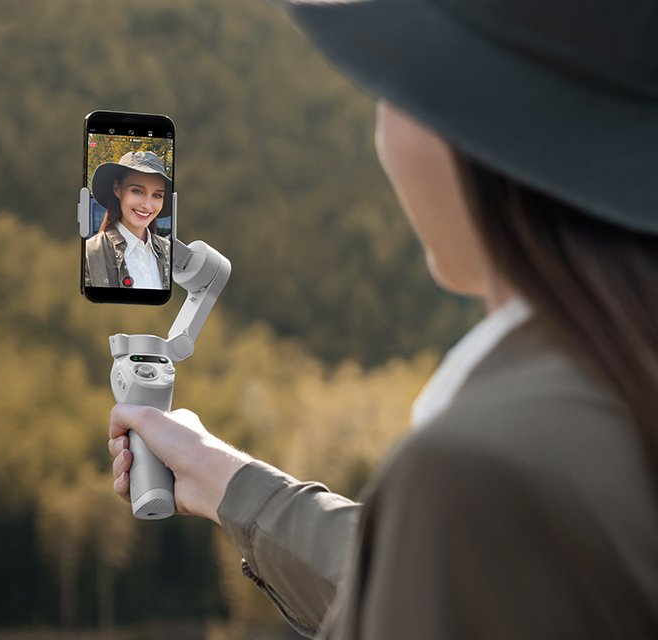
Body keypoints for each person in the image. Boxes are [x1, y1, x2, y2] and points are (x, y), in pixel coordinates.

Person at [107, 0, 658, 638]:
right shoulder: (605, 404)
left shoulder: (476, 468)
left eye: (396, 86)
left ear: (469, 130)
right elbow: (461, 582)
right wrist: (226, 481)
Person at [84, 151, 171, 289]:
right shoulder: (90, 254)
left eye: (157, 195)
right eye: (137, 191)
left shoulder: (170, 253)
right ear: (117, 188)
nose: (147, 205)